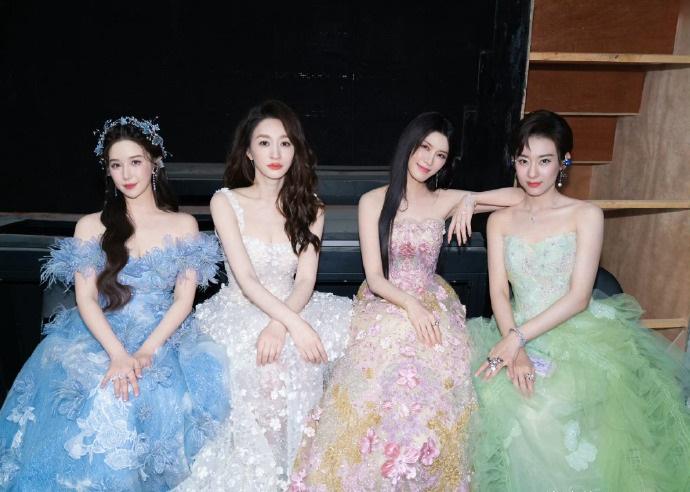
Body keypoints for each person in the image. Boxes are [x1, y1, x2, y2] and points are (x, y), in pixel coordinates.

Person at [290, 112, 524, 491]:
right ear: (409, 144)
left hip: (433, 300)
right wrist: (411, 306)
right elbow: (375, 277)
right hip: (387, 299)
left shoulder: (443, 199)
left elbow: (519, 195)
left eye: (440, 155)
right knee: (387, 379)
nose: (429, 160)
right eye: (424, 147)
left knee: (436, 381)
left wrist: (471, 200)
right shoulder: (373, 201)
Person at [0, 117, 229, 491]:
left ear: (154, 163)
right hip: (100, 332)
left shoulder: (183, 225)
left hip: (162, 335)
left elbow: (182, 300)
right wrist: (119, 355)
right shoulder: (91, 226)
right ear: (107, 171)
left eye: (135, 162)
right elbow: (86, 298)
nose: (127, 174)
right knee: (100, 391)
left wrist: (145, 352)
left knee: (156, 395)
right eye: (116, 164)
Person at [470, 109, 690, 491]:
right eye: (523, 161)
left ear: (563, 163)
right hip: (513, 326)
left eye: (544, 161)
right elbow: (500, 292)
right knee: (484, 396)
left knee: (539, 411)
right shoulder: (499, 220)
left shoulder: (586, 215)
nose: (533, 172)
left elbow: (578, 297)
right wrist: (513, 346)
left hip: (575, 331)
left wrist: (517, 340)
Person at [177, 101, 351, 491]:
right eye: (264, 142)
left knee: (326, 352)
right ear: (248, 152)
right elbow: (247, 279)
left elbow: (305, 279)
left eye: (285, 143)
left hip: (292, 304)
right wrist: (289, 326)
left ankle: (302, 473)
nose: (275, 153)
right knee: (268, 367)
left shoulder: (312, 208)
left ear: (296, 150)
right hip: (241, 307)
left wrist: (283, 323)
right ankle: (265, 477)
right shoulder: (225, 201)